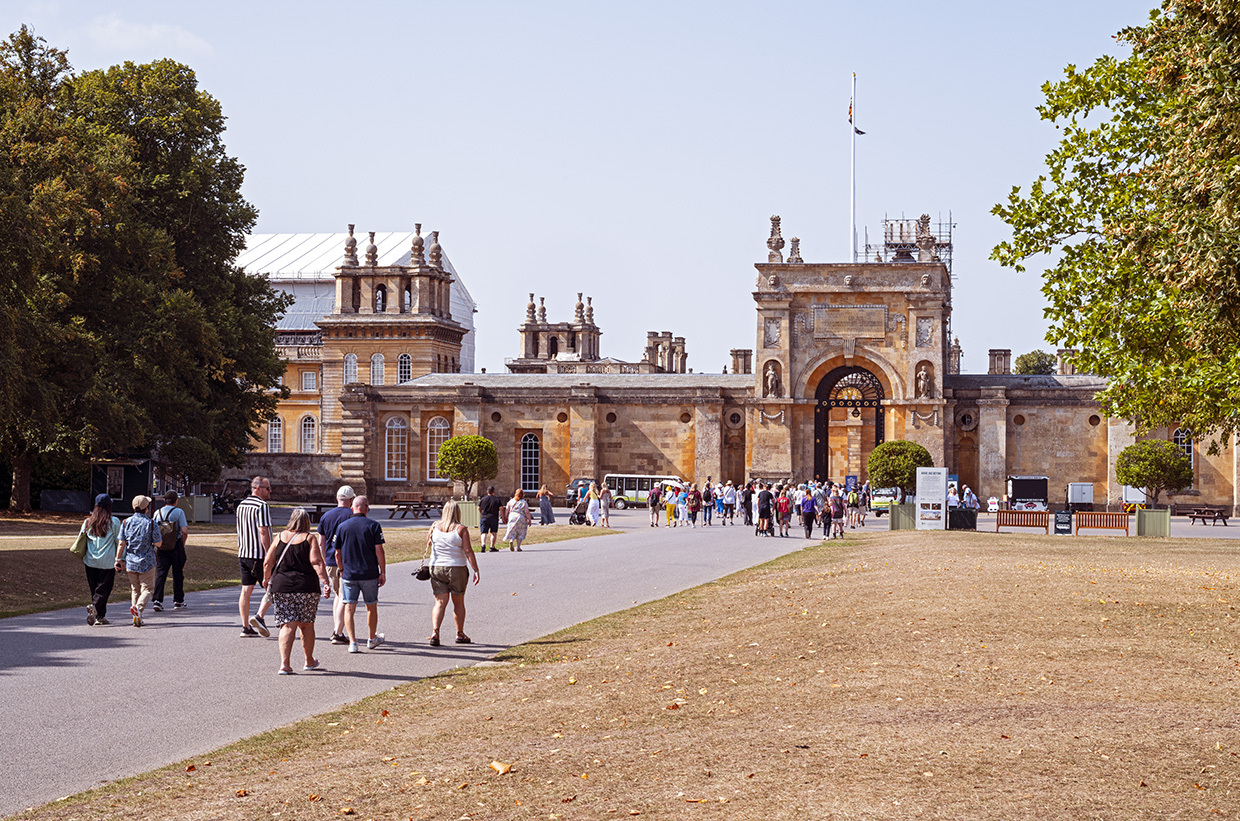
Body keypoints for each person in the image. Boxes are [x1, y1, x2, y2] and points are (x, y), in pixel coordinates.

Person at [263, 508, 330, 674]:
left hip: (282, 587)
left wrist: (266, 579)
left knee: (287, 625)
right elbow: (316, 562)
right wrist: (325, 581)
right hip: (306, 587)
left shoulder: (279, 537)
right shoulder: (309, 538)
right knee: (306, 625)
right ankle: (308, 660)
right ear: (306, 522)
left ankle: (284, 664)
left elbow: (268, 562)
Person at [426, 500, 481, 646]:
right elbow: (468, 550)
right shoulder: (461, 529)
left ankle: (435, 632)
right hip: (457, 567)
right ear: (458, 512)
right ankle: (459, 633)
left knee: (440, 602)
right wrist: (476, 569)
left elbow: (429, 542)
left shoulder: (434, 527)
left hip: (437, 567)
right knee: (458, 602)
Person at [336, 495, 387, 653]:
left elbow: (337, 553)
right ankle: (371, 638)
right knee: (371, 606)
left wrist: (341, 568)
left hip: (350, 574)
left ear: (353, 507)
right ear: (365, 507)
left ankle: (353, 642)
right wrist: (382, 571)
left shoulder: (342, 527)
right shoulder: (373, 525)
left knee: (349, 607)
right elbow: (379, 551)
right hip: (369, 573)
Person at [318, 485, 356, 645]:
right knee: (343, 596)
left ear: (337, 499)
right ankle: (337, 632)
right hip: (345, 560)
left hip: (329, 559)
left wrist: (323, 560)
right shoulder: (352, 515)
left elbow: (321, 541)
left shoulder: (326, 516)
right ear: (351, 500)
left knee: (338, 595)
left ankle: (337, 628)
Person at [237, 476, 274, 638]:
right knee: (274, 586)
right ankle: (260, 616)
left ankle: (245, 627)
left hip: (243, 553)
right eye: (267, 488)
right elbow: (263, 531)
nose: (270, 491)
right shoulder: (261, 506)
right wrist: (269, 553)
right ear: (258, 488)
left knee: (246, 590)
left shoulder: (241, 505)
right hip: (258, 555)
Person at [115, 495, 159, 627]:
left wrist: (118, 559)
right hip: (147, 561)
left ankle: (136, 617)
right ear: (146, 508)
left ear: (133, 507)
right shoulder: (151, 523)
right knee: (148, 589)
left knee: (135, 589)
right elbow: (159, 543)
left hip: (131, 561)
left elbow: (121, 543)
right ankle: (138, 609)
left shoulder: (126, 522)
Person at [79, 494, 120, 626]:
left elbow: (82, 538)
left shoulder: (88, 522)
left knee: (94, 589)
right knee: (104, 589)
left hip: (90, 559)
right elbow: (119, 542)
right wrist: (121, 559)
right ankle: (95, 608)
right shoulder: (113, 522)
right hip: (107, 560)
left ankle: (99, 616)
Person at [151, 491, 189, 611]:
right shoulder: (179, 512)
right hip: (176, 545)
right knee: (178, 574)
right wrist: (182, 544)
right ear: (176, 501)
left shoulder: (157, 513)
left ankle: (157, 600)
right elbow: (184, 531)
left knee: (161, 573)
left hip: (162, 546)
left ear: (164, 500)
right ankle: (178, 600)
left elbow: (153, 529)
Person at [478, 486, 503, 551]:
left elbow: (479, 507)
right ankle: (492, 547)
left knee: (484, 532)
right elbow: (501, 508)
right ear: (493, 492)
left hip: (484, 517)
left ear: (487, 491)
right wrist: (503, 517)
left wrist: (482, 513)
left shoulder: (483, 499)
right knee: (493, 532)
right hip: (494, 517)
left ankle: (483, 544)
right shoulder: (497, 499)